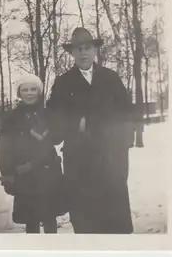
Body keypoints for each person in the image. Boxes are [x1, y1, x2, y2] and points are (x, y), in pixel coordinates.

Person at [46, 27, 133, 234]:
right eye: (78, 49)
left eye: (87, 48)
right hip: (79, 164)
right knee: (86, 223)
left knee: (115, 223)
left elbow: (127, 113)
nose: (83, 53)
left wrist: (122, 148)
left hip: (110, 159)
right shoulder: (63, 83)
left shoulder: (111, 78)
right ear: (72, 54)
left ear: (95, 51)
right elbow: (53, 121)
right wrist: (77, 124)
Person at [0, 74, 66, 234]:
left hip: (49, 173)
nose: (29, 93)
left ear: (39, 92)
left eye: (33, 89)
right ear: (19, 93)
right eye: (25, 90)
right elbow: (5, 148)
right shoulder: (12, 118)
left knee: (50, 218)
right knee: (31, 220)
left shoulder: (48, 114)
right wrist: (7, 174)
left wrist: (55, 124)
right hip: (25, 173)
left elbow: (57, 139)